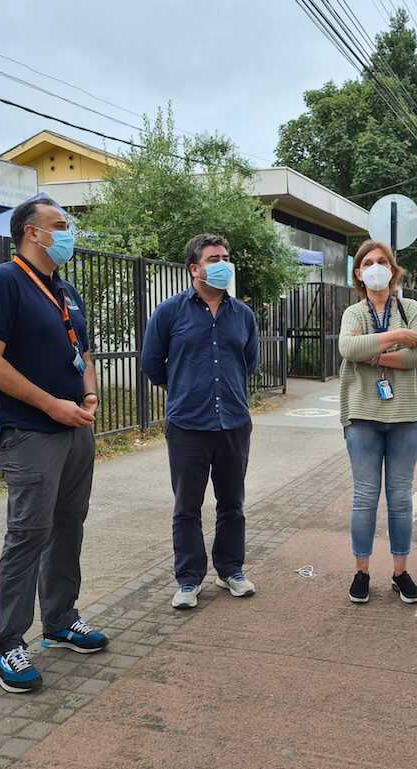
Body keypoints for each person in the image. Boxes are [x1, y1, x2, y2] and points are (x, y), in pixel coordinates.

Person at [0, 196, 108, 694]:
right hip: (30, 432)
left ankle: (60, 620)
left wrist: (89, 392)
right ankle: (6, 644)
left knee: (69, 524)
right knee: (29, 533)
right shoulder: (3, 283)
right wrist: (51, 405)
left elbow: (82, 351)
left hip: (75, 427)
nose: (68, 232)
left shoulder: (65, 290)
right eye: (60, 225)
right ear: (32, 232)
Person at [142, 233, 259, 610]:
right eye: (213, 258)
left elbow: (249, 364)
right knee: (187, 506)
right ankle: (189, 580)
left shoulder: (243, 315)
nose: (222, 263)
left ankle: (231, 570)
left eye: (226, 256)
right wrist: (184, 390)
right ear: (194, 268)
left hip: (234, 424)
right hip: (188, 425)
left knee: (232, 503)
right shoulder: (170, 312)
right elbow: (151, 365)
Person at [338, 240, 417, 604]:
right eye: (368, 263)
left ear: (393, 270)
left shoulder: (411, 308)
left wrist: (375, 354)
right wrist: (396, 339)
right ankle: (361, 572)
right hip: (362, 415)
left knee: (400, 498)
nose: (376, 267)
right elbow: (348, 348)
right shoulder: (354, 312)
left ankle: (400, 571)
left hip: (407, 415)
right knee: (364, 497)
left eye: (383, 262)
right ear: (359, 273)